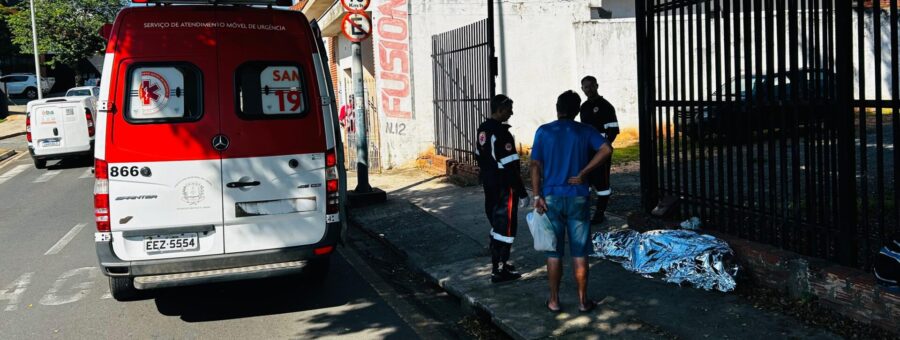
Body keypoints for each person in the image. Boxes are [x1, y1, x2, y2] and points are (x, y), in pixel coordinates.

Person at [531, 90, 612, 313]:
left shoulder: (544, 132)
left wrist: (537, 196)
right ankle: (583, 301)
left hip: (551, 198)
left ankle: (554, 300)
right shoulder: (585, 130)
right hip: (578, 196)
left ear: (557, 107)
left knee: (554, 253)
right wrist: (584, 172)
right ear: (577, 110)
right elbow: (606, 149)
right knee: (580, 252)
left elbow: (535, 165)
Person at [476, 94, 530, 283]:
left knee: (497, 225)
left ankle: (500, 264)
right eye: (508, 110)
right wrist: (522, 192)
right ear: (499, 110)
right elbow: (511, 168)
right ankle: (498, 270)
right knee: (505, 229)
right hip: (504, 186)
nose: (511, 113)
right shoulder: (501, 133)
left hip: (489, 184)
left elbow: (479, 157)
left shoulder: (483, 129)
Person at [579, 75, 619, 224]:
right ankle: (584, 212)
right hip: (586, 152)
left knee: (602, 183)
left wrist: (603, 149)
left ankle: (600, 213)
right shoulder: (583, 107)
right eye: (586, 87)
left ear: (597, 85)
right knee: (586, 181)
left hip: (601, 153)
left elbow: (613, 131)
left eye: (591, 86)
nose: (589, 89)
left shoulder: (606, 106)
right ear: (582, 89)